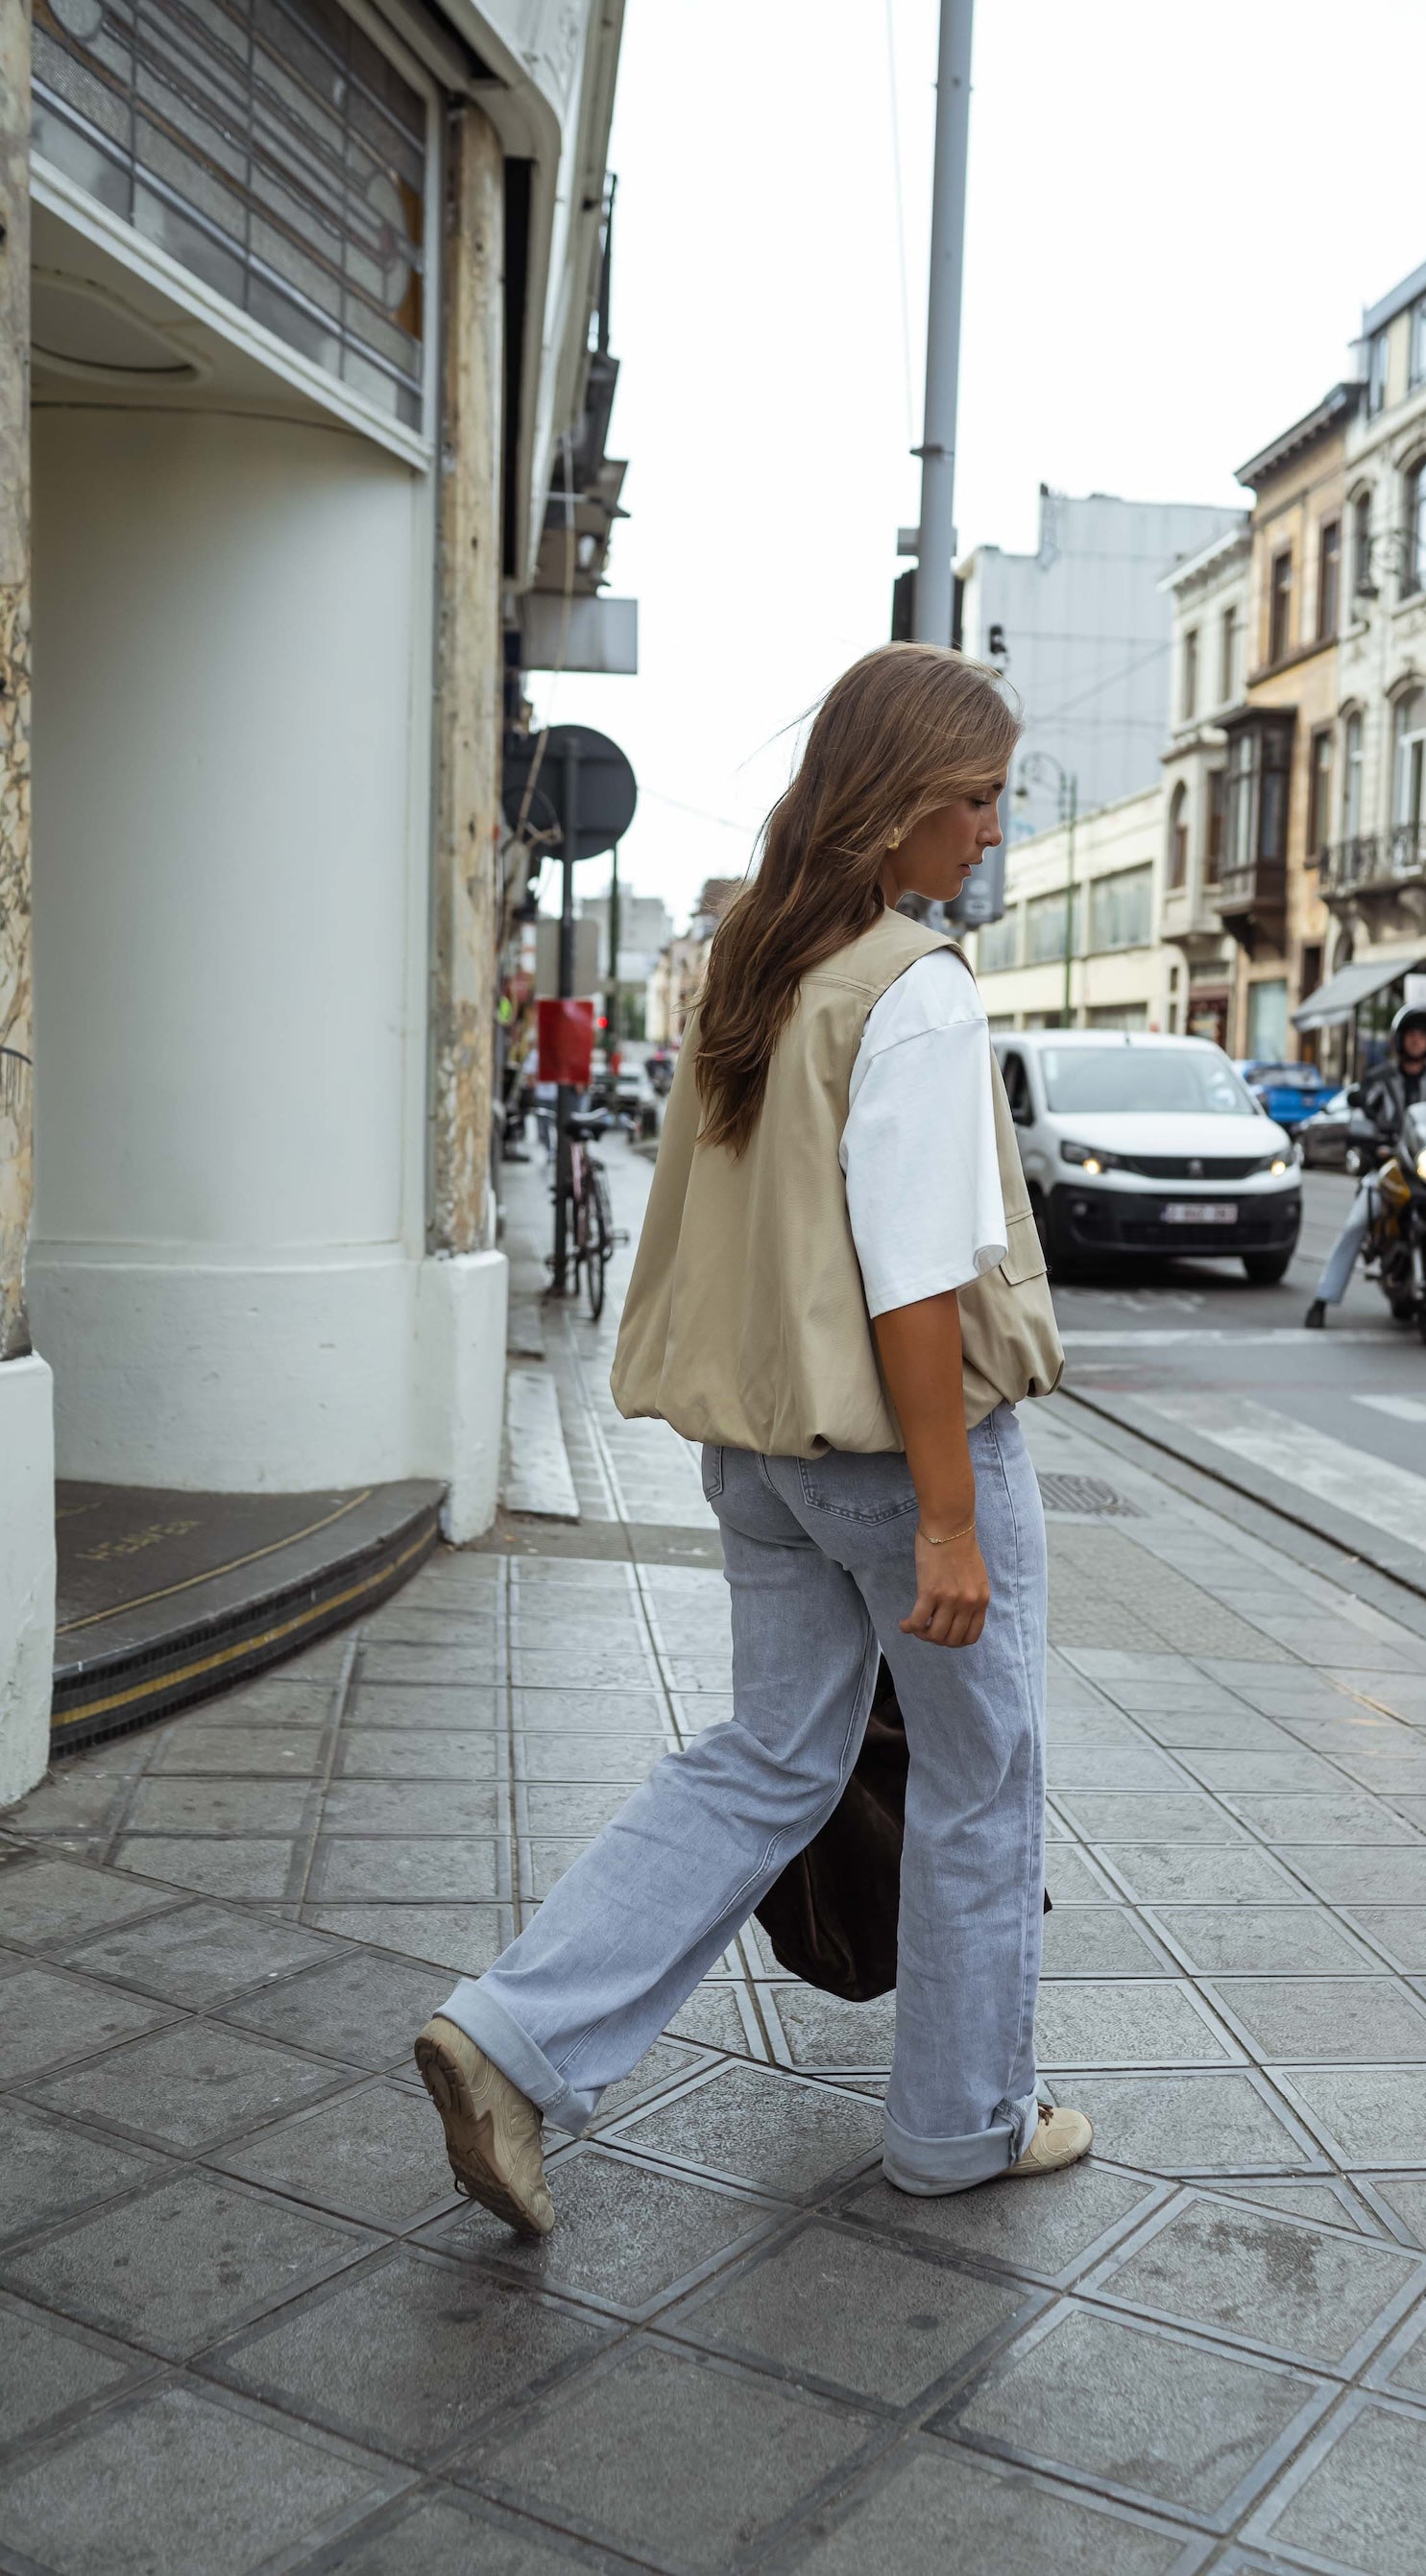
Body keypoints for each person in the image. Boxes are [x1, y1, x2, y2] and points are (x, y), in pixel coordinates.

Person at [414, 643, 1088, 2232]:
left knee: (767, 1754)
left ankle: (509, 2035)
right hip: (894, 1455)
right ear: (902, 800)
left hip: (760, 1456)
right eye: (974, 801)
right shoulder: (907, 986)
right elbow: (917, 1284)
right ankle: (957, 2124)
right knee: (981, 1775)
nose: (987, 833)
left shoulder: (748, 963)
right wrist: (943, 1516)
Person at [1304, 1003, 1426, 1329]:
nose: (1417, 1041)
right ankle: (1323, 1298)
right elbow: (1360, 1117)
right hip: (1392, 1167)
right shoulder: (1378, 1080)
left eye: (1423, 1036)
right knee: (1358, 1219)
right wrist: (1373, 1141)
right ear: (1399, 1040)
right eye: (1411, 1035)